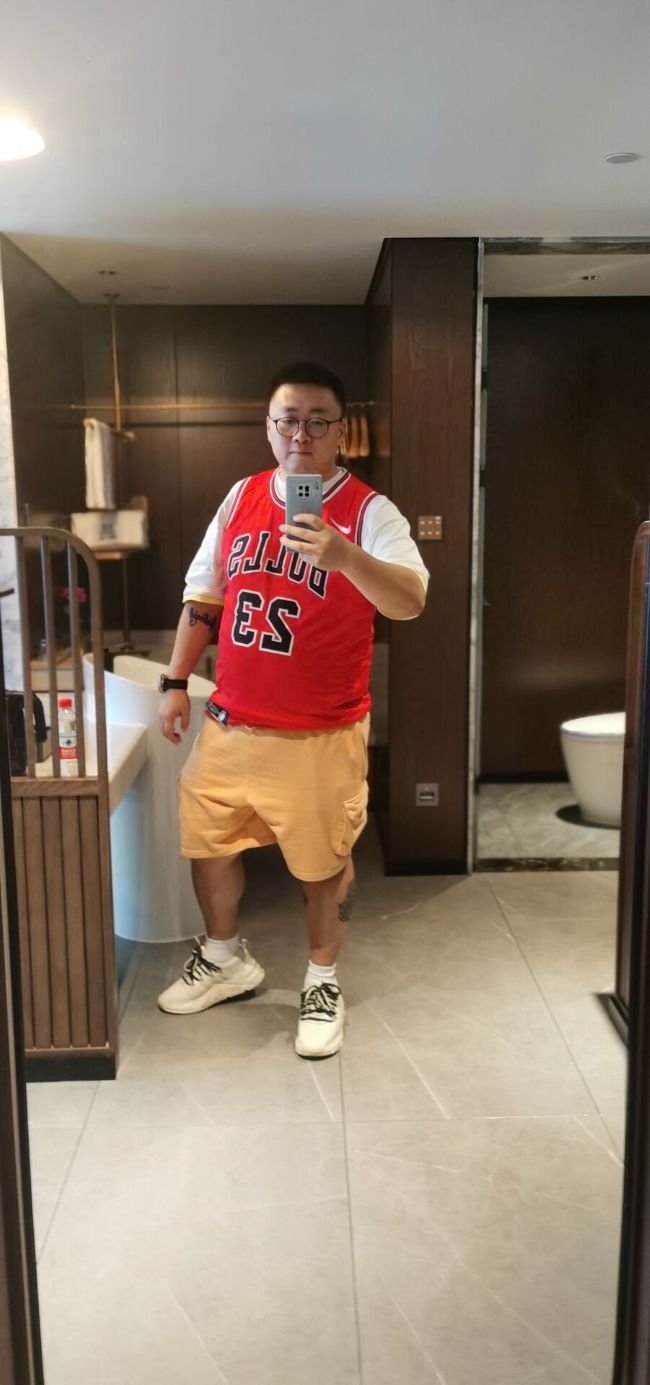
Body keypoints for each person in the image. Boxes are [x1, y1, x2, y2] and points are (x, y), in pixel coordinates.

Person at [156, 361, 428, 1059]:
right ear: (269, 428)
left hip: (320, 732)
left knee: (322, 865)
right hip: (231, 721)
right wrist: (175, 680)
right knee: (208, 844)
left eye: (317, 421)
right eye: (288, 419)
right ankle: (225, 957)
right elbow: (204, 593)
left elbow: (410, 600)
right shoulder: (241, 496)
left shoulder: (370, 512)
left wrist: (345, 556)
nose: (301, 433)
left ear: (342, 432)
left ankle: (322, 981)